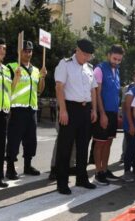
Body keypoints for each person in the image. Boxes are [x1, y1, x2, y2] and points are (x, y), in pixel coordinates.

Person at [54, 38, 97, 194]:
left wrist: (94, 110)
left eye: (89, 56)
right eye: (85, 54)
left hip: (86, 110)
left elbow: (93, 90)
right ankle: (62, 182)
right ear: (77, 50)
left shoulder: (89, 68)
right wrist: (63, 110)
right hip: (70, 109)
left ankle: (81, 178)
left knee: (83, 147)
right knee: (65, 147)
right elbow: (59, 88)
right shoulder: (65, 64)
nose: (87, 58)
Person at [5, 40, 47, 180]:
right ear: (19, 52)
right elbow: (7, 89)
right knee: (14, 139)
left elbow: (40, 90)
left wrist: (42, 78)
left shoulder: (36, 70)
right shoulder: (11, 67)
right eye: (25, 51)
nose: (27, 53)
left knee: (31, 140)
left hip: (32, 109)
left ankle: (28, 165)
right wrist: (15, 77)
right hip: (17, 109)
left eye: (29, 51)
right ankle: (10, 168)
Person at [92, 44, 125, 185]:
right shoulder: (99, 69)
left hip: (112, 112)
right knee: (100, 143)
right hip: (102, 112)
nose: (116, 62)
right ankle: (98, 172)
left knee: (109, 142)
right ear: (108, 55)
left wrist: (116, 113)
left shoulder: (117, 71)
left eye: (119, 60)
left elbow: (115, 93)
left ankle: (105, 170)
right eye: (114, 58)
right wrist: (102, 114)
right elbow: (97, 93)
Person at [0, 38, 11, 187]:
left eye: (4, 48)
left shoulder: (6, 70)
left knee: (0, 147)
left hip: (2, 113)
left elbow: (8, 90)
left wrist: (17, 77)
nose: (2, 50)